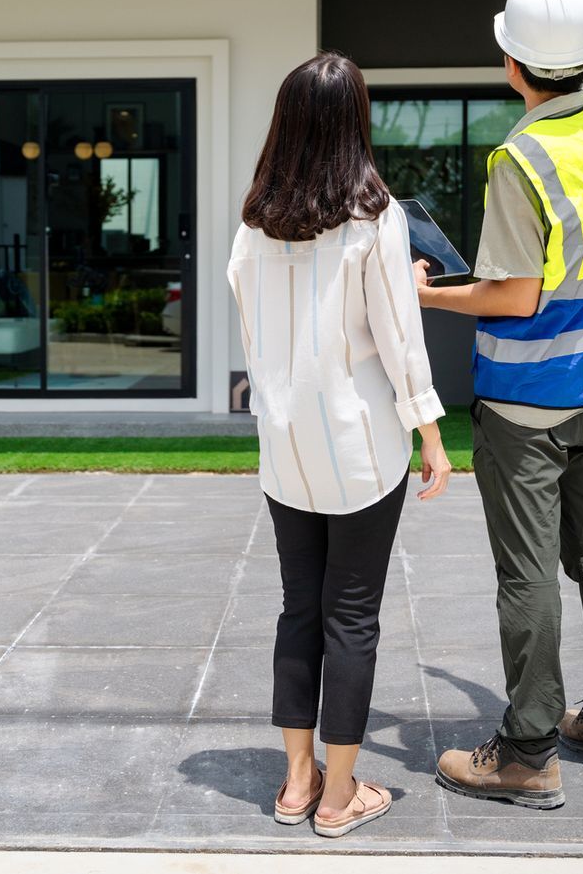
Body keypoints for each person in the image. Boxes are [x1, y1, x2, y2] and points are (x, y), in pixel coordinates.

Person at [417, 0, 583, 810]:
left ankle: (525, 751)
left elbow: (511, 294)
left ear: (510, 66)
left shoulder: (522, 157)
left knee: (525, 574)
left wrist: (427, 291)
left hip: (525, 398)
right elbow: (575, 58)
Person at [228, 51, 453, 838]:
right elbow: (399, 339)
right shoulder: (377, 219)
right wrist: (431, 432)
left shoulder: (255, 221)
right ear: (353, 121)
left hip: (285, 446)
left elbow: (253, 328)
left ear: (287, 122)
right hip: (361, 449)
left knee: (299, 608)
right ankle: (339, 795)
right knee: (350, 616)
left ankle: (296, 783)